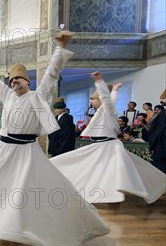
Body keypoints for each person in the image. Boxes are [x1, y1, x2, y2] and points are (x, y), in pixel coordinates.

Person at [0, 31, 109, 246]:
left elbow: (51, 75)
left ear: (27, 81)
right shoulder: (8, 95)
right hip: (4, 149)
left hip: (27, 151)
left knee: (24, 190)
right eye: (12, 79)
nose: (14, 82)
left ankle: (21, 227)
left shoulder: (37, 95)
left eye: (18, 79)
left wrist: (60, 49)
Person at [51, 73, 165, 204]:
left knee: (115, 171)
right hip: (99, 146)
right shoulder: (102, 111)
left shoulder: (108, 110)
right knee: (80, 165)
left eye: (93, 99)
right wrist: (115, 90)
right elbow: (111, 99)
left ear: (100, 99)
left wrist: (100, 82)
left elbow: (108, 99)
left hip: (108, 146)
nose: (91, 101)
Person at [148, 90, 166, 174]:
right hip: (160, 148)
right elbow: (154, 128)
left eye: (163, 98)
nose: (161, 101)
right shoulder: (162, 113)